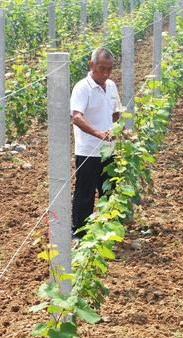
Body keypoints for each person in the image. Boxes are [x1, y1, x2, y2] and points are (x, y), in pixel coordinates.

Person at [70, 47, 122, 238]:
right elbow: (77, 117)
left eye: (109, 69)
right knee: (85, 193)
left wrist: (116, 128)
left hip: (108, 148)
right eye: (102, 69)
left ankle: (106, 229)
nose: (106, 73)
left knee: (108, 189)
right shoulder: (82, 88)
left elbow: (116, 112)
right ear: (91, 65)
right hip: (88, 151)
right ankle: (79, 233)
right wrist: (98, 133)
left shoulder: (111, 86)